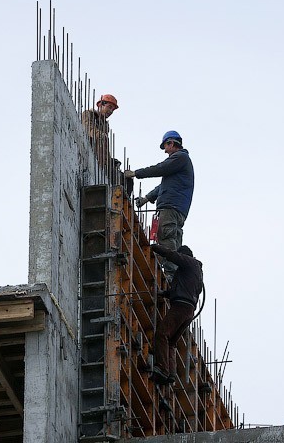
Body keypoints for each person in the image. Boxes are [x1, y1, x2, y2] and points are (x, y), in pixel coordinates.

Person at [124, 130, 194, 280]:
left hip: (171, 206)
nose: (165, 151)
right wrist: (147, 198)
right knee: (172, 239)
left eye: (166, 146)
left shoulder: (180, 157)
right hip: (177, 207)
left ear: (172, 143)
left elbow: (160, 168)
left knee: (166, 236)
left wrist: (136, 173)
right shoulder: (179, 164)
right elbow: (163, 187)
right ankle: (171, 271)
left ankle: (170, 275)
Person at [149, 244, 203, 385]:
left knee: (162, 334)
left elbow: (173, 256)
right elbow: (185, 289)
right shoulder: (195, 273)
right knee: (171, 342)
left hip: (181, 306)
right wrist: (166, 294)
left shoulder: (190, 263)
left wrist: (155, 248)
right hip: (188, 310)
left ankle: (162, 369)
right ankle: (171, 374)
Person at [81, 93, 120, 176]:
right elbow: (88, 127)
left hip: (98, 158)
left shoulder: (105, 125)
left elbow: (104, 147)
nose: (111, 111)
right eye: (109, 107)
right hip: (87, 153)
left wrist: (109, 161)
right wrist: (99, 134)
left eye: (112, 110)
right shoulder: (88, 114)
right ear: (100, 104)